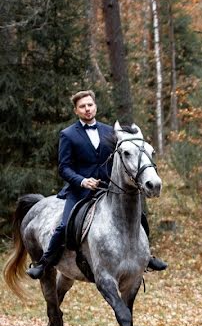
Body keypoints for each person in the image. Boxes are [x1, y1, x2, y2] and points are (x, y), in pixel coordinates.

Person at [26, 90, 167, 280]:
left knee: (139, 217)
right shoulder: (68, 134)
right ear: (76, 110)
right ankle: (44, 262)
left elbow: (123, 158)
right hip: (80, 190)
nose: (87, 109)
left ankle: (147, 256)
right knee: (64, 224)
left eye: (90, 105)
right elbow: (64, 168)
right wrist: (82, 181)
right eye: (82, 106)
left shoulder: (110, 132)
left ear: (95, 106)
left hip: (108, 188)